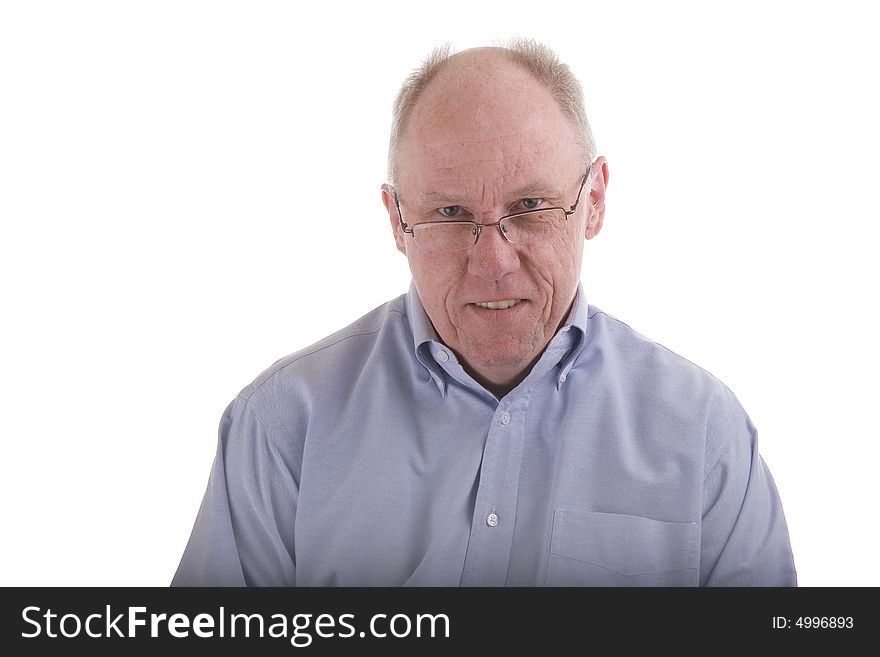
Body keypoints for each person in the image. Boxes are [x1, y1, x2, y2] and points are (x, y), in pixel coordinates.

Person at [172, 39, 797, 586]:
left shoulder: (705, 432)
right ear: (397, 220)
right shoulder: (282, 426)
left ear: (595, 202)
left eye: (530, 205)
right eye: (450, 214)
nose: (493, 261)